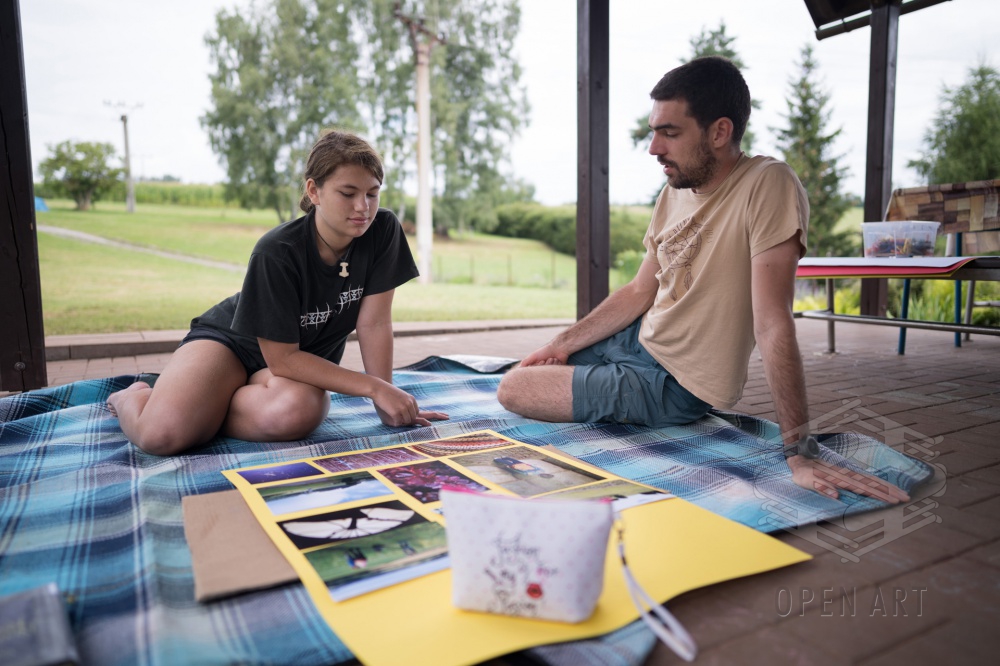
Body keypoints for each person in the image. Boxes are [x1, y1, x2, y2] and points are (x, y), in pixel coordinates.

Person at [497, 56, 908, 505]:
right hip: (636, 341)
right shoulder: (672, 192)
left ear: (719, 132)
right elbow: (639, 291)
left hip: (671, 383)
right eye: (654, 131)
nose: (654, 148)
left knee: (514, 388)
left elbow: (773, 322)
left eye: (669, 133)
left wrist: (800, 452)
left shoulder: (768, 183)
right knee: (536, 368)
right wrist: (562, 343)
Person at [108, 130, 447, 455]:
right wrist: (374, 387)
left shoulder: (383, 231)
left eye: (372, 193)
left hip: (291, 369)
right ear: (314, 191)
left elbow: (374, 324)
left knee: (299, 411)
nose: (363, 207)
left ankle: (205, 407)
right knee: (161, 436)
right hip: (231, 344)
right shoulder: (276, 250)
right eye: (348, 193)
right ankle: (133, 398)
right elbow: (282, 358)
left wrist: (386, 404)